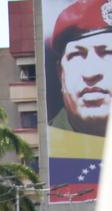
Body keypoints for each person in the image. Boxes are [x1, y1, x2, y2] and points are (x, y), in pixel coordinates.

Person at [48, 0, 112, 136]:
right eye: (76, 55)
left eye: (108, 53)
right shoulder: (45, 145)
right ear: (60, 74)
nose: (90, 73)